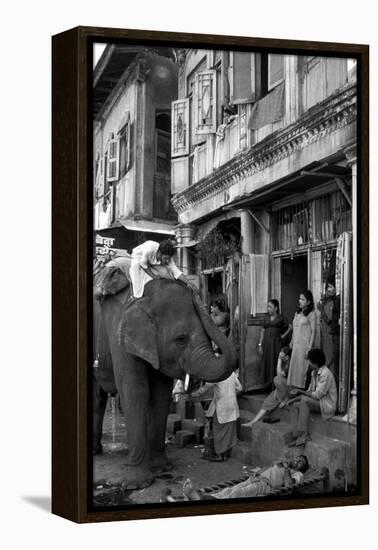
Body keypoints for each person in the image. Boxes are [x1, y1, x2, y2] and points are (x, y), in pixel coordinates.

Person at [181, 455, 309, 500]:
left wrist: (286, 468)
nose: (296, 461)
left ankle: (198, 497)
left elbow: (288, 486)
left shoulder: (298, 474)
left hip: (265, 486)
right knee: (228, 491)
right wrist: (256, 472)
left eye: (300, 463)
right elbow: (267, 469)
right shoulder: (283, 464)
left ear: (301, 468)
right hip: (255, 478)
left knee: (237, 494)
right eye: (297, 459)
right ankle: (201, 497)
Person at [286, 348, 337, 447]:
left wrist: (299, 391)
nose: (308, 363)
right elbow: (309, 391)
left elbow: (317, 395)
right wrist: (293, 399)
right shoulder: (313, 373)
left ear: (315, 362)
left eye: (309, 361)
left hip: (327, 405)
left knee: (304, 401)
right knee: (293, 405)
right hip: (316, 402)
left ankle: (304, 435)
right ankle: (298, 436)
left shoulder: (326, 374)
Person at [191, 370, 242, 461]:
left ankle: (220, 455)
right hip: (232, 404)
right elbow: (239, 388)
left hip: (222, 405)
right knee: (228, 430)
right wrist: (229, 392)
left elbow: (205, 387)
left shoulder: (216, 374)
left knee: (218, 429)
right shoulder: (231, 373)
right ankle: (225, 454)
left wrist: (194, 394)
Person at [242, 346, 292, 427]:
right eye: (280, 356)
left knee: (276, 379)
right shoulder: (285, 361)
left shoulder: (290, 363)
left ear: (287, 357)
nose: (281, 358)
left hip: (290, 390)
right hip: (282, 390)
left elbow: (279, 375)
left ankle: (284, 399)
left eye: (282, 357)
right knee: (267, 401)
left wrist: (279, 360)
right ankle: (252, 422)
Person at [257, 299, 291, 386]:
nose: (268, 309)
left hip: (276, 344)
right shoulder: (266, 318)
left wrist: (283, 336)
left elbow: (290, 327)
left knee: (276, 362)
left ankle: (276, 385)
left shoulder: (281, 317)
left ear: (276, 308)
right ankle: (269, 385)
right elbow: (262, 331)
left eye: (270, 307)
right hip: (266, 344)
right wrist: (260, 345)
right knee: (267, 362)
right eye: (267, 307)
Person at [287, 290, 316, 389]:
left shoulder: (311, 314)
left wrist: (309, 348)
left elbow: (313, 332)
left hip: (304, 346)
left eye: (303, 299)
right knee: (294, 368)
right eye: (299, 299)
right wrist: (291, 341)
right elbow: (294, 329)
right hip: (296, 345)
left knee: (302, 369)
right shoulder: (297, 313)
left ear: (308, 302)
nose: (300, 301)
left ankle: (301, 389)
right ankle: (294, 389)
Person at [317, 279, 340, 388]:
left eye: (330, 287)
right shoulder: (326, 302)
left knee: (331, 362)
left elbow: (330, 321)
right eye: (327, 288)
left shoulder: (334, 303)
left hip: (331, 336)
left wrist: (321, 310)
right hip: (324, 336)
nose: (327, 290)